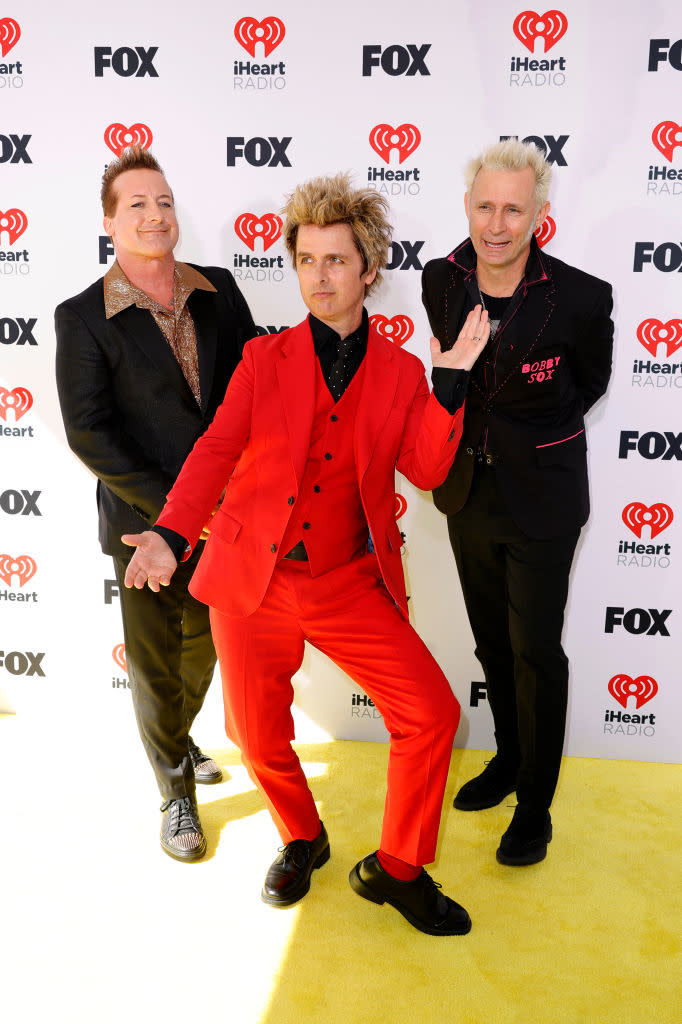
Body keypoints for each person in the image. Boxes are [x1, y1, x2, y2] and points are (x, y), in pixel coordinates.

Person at [121, 172, 489, 935]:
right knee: (256, 734)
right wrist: (168, 533)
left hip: (348, 581)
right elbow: (215, 452)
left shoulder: (400, 372)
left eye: (336, 261)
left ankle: (397, 868)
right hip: (252, 578)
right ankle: (302, 835)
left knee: (430, 713)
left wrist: (451, 382)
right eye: (307, 261)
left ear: (368, 271)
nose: (319, 277)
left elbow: (424, 469)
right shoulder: (265, 360)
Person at [55, 146, 256, 862]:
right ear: (110, 222)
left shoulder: (220, 290)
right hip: (147, 527)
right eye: (137, 203)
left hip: (226, 519)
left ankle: (182, 735)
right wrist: (177, 512)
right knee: (153, 660)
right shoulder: (83, 316)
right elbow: (89, 432)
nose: (154, 214)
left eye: (164, 202)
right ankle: (176, 796)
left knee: (205, 646)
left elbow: (251, 391)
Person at [421, 139, 613, 866]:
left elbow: (586, 385)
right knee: (492, 643)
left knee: (536, 651)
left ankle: (535, 804)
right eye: (484, 206)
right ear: (467, 206)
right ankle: (507, 757)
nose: (496, 224)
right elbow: (452, 371)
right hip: (468, 493)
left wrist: (531, 435)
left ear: (539, 214)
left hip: (543, 501)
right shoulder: (442, 278)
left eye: (513, 209)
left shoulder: (583, 296)